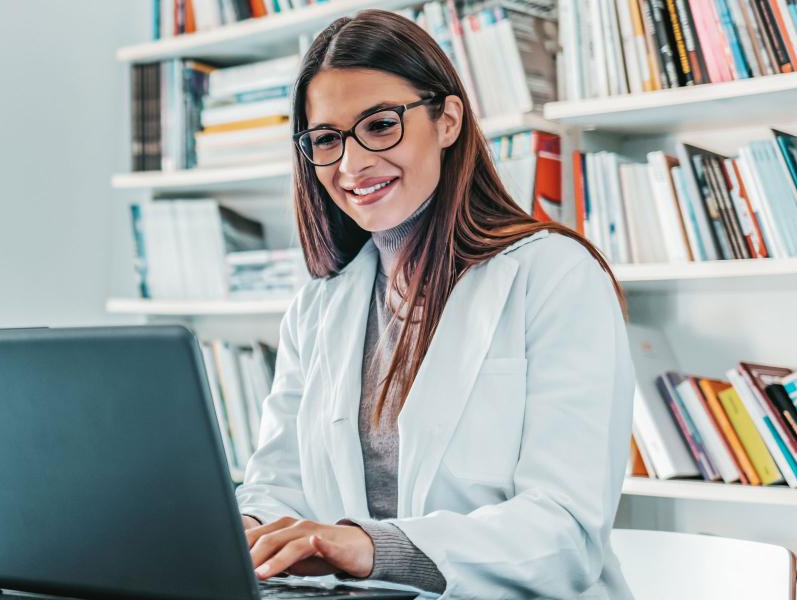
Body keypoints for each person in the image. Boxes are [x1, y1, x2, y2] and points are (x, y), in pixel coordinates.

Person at [235, 9, 636, 598]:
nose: (351, 164)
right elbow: (278, 482)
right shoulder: (319, 307)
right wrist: (246, 531)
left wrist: (369, 547)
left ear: (447, 120)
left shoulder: (554, 276)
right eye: (326, 139)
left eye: (379, 126)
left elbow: (565, 531)